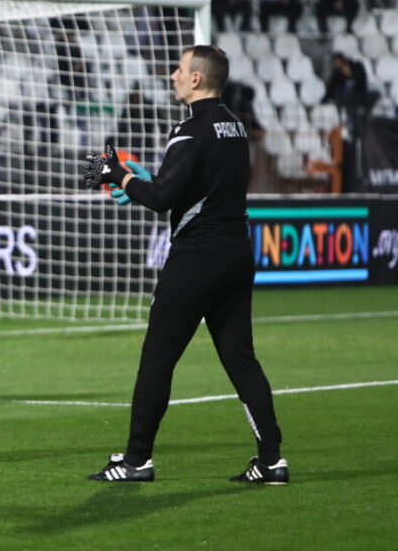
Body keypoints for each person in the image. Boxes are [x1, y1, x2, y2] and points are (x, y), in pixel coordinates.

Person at [85, 45, 288, 485]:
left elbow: (162, 199)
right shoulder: (235, 125)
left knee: (157, 357)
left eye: (179, 69)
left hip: (197, 257)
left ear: (196, 78)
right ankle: (272, 461)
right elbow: (191, 187)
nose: (173, 75)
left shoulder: (190, 129)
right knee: (241, 359)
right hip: (236, 254)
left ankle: (136, 461)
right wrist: (142, 179)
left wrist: (116, 174)